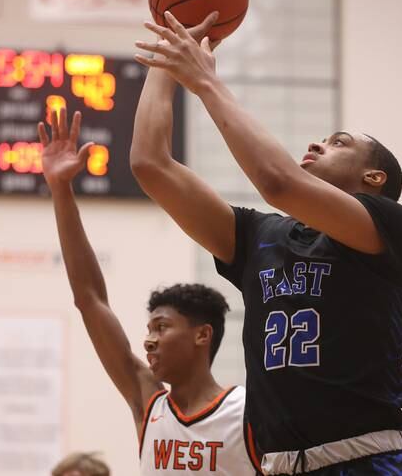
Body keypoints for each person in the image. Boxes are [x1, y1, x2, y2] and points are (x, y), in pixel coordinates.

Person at [130, 11, 402, 475]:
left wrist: (207, 82)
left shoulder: (392, 228)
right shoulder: (262, 236)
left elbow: (277, 182)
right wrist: (168, 54)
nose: (318, 143)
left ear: (374, 176)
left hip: (365, 460)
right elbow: (150, 164)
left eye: (338, 143)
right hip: (279, 465)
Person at [39, 108, 259, 475]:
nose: (149, 341)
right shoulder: (149, 403)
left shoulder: (250, 409)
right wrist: (61, 191)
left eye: (161, 327)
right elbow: (89, 299)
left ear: (202, 334)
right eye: (149, 330)